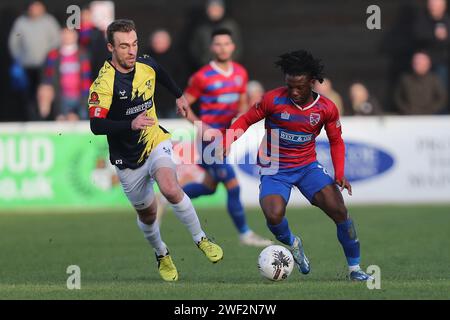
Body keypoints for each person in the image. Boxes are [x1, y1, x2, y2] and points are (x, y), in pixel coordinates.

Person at [88, 19, 223, 282]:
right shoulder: (104, 84)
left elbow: (160, 71)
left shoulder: (146, 64)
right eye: (124, 46)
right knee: (148, 215)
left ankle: (201, 239)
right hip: (126, 159)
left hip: (154, 140)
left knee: (171, 188)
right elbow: (96, 125)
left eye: (135, 44)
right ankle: (161, 252)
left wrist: (179, 95)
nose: (132, 51)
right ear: (110, 48)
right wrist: (130, 123)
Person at [223, 50, 373, 281]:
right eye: (290, 86)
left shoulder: (326, 108)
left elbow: (336, 141)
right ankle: (293, 243)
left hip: (307, 168)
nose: (294, 91)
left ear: (312, 83)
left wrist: (340, 173)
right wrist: (227, 140)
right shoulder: (273, 100)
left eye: (299, 87)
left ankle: (355, 270)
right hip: (275, 170)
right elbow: (245, 120)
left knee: (340, 211)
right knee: (273, 216)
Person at [161, 28, 271, 247]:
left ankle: (168, 196)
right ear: (212, 47)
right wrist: (201, 127)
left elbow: (240, 107)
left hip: (225, 139)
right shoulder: (202, 77)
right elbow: (181, 106)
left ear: (233, 46)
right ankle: (245, 234)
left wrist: (234, 131)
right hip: (208, 141)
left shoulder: (241, 73)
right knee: (232, 184)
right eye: (218, 44)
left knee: (209, 187)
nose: (222, 47)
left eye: (226, 44)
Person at [8, 1, 60, 120]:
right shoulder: (21, 22)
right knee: (28, 95)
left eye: (38, 7)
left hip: (46, 66)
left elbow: (56, 41)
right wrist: (19, 58)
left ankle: (47, 118)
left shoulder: (49, 21)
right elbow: (14, 42)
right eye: (33, 7)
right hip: (27, 66)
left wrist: (50, 58)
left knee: (45, 93)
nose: (36, 10)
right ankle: (31, 119)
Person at [38, 28, 92, 121]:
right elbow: (47, 79)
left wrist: (84, 103)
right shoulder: (53, 55)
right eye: (65, 34)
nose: (67, 37)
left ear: (75, 36)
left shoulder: (83, 54)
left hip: (80, 97)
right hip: (61, 97)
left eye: (70, 34)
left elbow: (87, 80)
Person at [188, 0, 243, 70]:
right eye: (212, 8)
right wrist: (206, 63)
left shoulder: (231, 26)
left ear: (222, 10)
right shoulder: (201, 28)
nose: (215, 11)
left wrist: (226, 63)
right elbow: (195, 49)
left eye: (217, 8)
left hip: (228, 68)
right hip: (206, 68)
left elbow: (238, 49)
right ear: (207, 10)